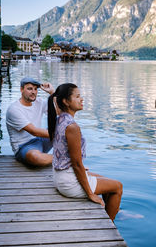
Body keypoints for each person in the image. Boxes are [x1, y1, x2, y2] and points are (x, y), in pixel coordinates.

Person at [48, 83, 123, 221]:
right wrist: (90, 194)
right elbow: (77, 164)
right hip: (69, 183)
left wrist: (53, 93)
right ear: (66, 101)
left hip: (60, 176)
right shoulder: (72, 127)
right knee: (118, 186)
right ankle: (110, 225)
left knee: (105, 181)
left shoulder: (60, 118)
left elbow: (57, 103)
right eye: (77, 96)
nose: (82, 99)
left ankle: (113, 210)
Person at [6, 77, 54, 167]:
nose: (33, 92)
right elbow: (34, 131)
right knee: (35, 157)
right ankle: (66, 159)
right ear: (21, 89)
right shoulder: (14, 109)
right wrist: (60, 134)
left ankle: (70, 157)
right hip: (24, 147)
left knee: (63, 123)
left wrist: (52, 92)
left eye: (35, 89)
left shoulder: (39, 102)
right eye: (29, 89)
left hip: (40, 140)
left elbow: (59, 110)